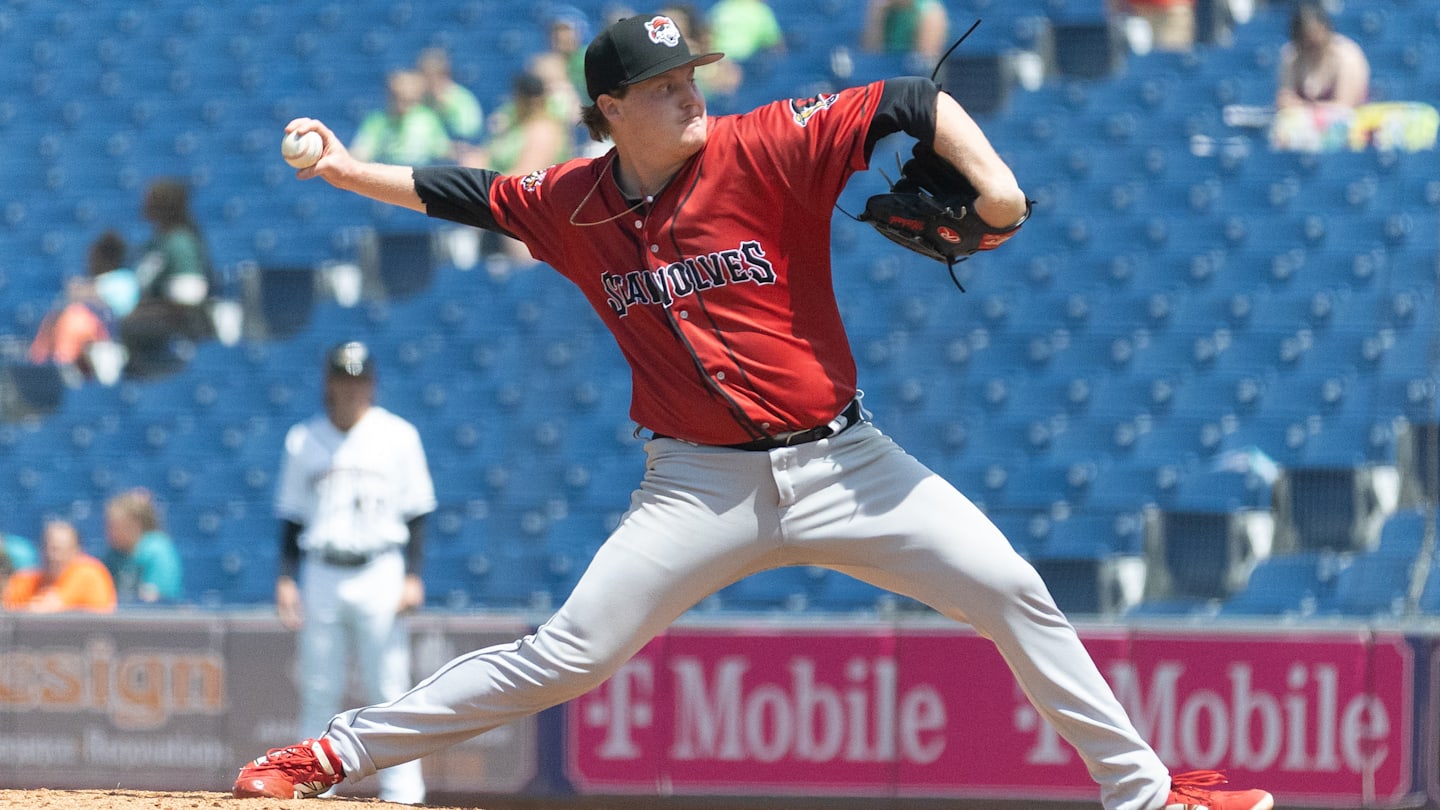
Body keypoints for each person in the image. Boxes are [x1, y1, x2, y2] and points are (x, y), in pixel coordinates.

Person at [239, 14, 1273, 810]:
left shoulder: (766, 144)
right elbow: (457, 189)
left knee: (1010, 590)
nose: (691, 92)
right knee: (569, 656)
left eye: (693, 74)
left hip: (848, 466)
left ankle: (1147, 793)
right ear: (609, 106)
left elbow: (909, 99)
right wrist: (337, 168)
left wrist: (999, 196)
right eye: (664, 83)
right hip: (697, 483)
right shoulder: (570, 201)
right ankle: (331, 752)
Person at [267, 341, 435, 805]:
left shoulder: (398, 435)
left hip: (381, 567)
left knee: (390, 690)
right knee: (319, 688)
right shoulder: (303, 439)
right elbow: (292, 517)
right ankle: (314, 790)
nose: (351, 388)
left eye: (359, 379)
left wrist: (413, 575)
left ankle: (405, 796)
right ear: (329, 383)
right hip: (322, 571)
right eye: (343, 378)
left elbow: (418, 511)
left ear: (372, 384)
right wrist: (286, 578)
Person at [120, 179, 215, 378]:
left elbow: (188, 296)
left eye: (149, 200)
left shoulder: (179, 242)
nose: (143, 204)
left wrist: (140, 311)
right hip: (158, 315)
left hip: (181, 322)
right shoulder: (158, 242)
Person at [2, 519, 117, 613]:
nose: (51, 555)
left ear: (76, 551)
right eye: (46, 547)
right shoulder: (27, 580)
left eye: (58, 550)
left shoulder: (89, 573)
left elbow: (48, 608)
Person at [1275, 1, 1369, 112]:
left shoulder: (1347, 56)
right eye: (1305, 41)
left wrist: (1302, 106)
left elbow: (1345, 106)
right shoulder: (1291, 56)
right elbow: (1285, 101)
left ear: (1326, 29)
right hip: (1304, 127)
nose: (1311, 46)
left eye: (1315, 40)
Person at [350, 69, 453, 167]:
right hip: (388, 177)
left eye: (409, 101)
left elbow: (443, 151)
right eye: (398, 98)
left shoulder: (427, 119)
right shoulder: (377, 121)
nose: (403, 106)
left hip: (421, 177)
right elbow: (360, 153)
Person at [101, 488, 184, 604]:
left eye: (116, 527)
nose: (110, 532)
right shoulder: (113, 554)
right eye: (109, 526)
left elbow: (155, 599)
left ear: (135, 525)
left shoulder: (158, 549)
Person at [416, 47, 484, 143]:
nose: (421, 81)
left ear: (442, 75)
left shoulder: (462, 101)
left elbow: (468, 135)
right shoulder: (424, 98)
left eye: (427, 77)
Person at [862, 0, 950, 63]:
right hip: (886, 72)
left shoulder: (930, 11)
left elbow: (923, 62)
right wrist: (878, 17)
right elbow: (871, 55)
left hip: (915, 78)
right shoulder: (881, 8)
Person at [706, 0, 784, 62]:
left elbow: (705, 34)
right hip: (744, 64)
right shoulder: (762, 12)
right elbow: (777, 46)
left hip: (717, 61)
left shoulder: (723, 6)